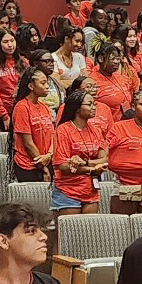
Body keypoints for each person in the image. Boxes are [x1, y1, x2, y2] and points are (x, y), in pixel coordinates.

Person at [50, 85, 111, 215]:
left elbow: (104, 159)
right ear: (77, 108)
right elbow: (63, 165)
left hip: (90, 190)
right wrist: (92, 168)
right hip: (68, 190)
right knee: (69, 233)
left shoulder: (95, 130)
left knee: (89, 233)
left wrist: (84, 163)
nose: (94, 107)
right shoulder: (63, 130)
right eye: (89, 104)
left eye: (94, 104)